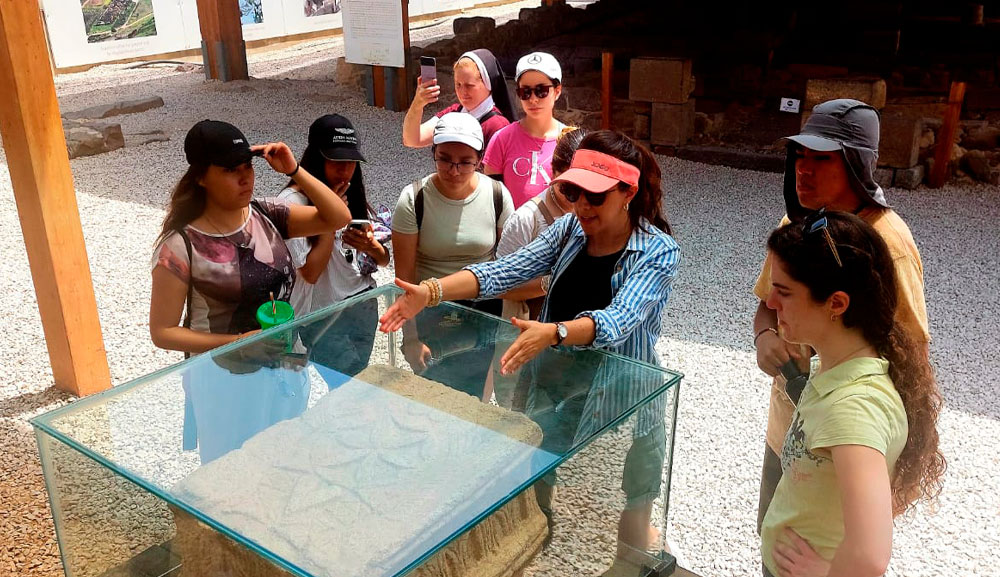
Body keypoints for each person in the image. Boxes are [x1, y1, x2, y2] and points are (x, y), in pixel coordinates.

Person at [381, 130, 679, 569]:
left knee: (629, 501)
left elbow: (619, 321)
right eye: (573, 191)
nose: (580, 206)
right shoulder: (570, 229)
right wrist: (431, 291)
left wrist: (553, 333)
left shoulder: (658, 250)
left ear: (628, 192)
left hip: (621, 397)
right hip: (556, 391)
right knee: (539, 483)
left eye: (594, 196)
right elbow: (504, 270)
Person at [752, 99, 932, 533]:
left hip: (843, 445)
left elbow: (912, 358)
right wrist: (763, 338)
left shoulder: (888, 245)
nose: (803, 169)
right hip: (788, 430)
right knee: (774, 541)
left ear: (857, 164)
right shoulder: (801, 227)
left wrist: (891, 465)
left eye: (822, 158)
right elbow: (766, 304)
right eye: (800, 154)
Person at [149, 119, 352, 462]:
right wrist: (238, 342)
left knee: (287, 463)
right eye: (230, 170)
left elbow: (338, 216)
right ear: (200, 176)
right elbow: (163, 332)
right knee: (233, 472)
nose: (245, 177)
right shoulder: (180, 246)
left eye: (248, 167)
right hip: (224, 379)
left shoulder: (265, 213)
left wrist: (295, 170)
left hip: (286, 368)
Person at [760, 210, 945, 577]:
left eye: (783, 292)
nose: (768, 303)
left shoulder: (853, 409)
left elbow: (870, 555)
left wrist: (824, 574)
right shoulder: (837, 368)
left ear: (837, 303)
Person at [391, 112, 515, 398]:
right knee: (431, 399)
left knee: (474, 402)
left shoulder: (497, 196)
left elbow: (509, 265)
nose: (454, 170)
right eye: (445, 159)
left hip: (482, 310)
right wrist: (410, 339)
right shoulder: (414, 199)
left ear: (480, 160)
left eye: (465, 162)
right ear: (433, 153)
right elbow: (405, 280)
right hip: (430, 314)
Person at [278, 114, 390, 380]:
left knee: (357, 382)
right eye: (336, 161)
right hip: (324, 313)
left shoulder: (348, 191)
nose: (345, 170)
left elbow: (383, 261)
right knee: (349, 387)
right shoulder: (291, 202)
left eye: (351, 162)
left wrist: (372, 246)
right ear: (315, 159)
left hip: (363, 301)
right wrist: (329, 219)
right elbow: (310, 273)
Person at [496, 126, 585, 322]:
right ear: (553, 171)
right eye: (567, 187)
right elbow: (501, 286)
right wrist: (550, 282)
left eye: (583, 187)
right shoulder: (526, 219)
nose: (576, 197)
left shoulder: (598, 213)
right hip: (531, 330)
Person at [483, 51, 567, 208]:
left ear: (557, 91)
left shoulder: (569, 139)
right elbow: (491, 200)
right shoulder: (502, 139)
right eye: (525, 92)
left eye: (541, 90)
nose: (533, 99)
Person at [403, 49, 516, 149]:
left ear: (488, 84)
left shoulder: (497, 125)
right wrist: (418, 104)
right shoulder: (454, 112)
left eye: (469, 85)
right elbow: (412, 140)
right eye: (458, 84)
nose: (463, 92)